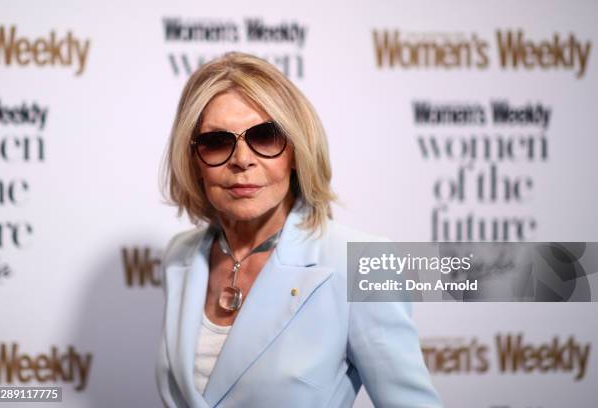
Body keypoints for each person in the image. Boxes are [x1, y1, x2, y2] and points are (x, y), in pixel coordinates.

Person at [156, 52, 442, 408]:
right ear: (194, 160)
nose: (242, 160)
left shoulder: (361, 262)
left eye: (266, 137)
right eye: (216, 142)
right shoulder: (180, 256)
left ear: (296, 152)